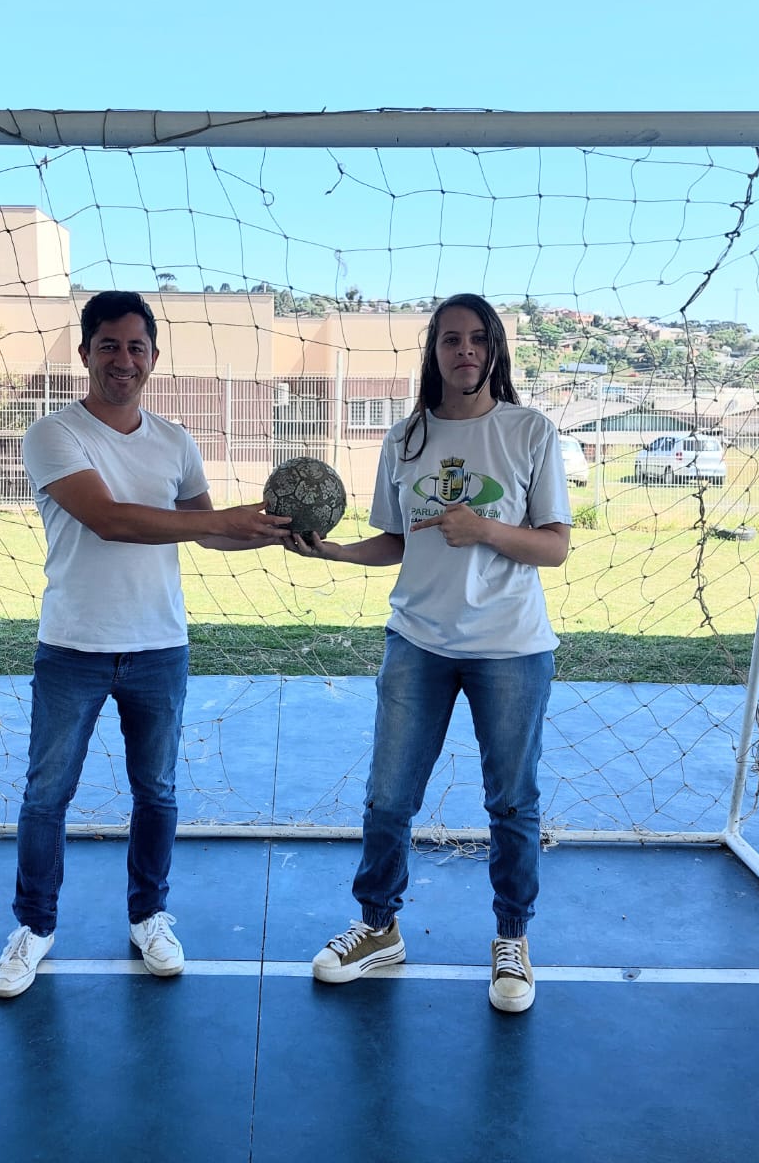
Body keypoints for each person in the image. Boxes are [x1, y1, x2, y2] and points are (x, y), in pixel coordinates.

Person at [0, 290, 292, 999]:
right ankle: (34, 927)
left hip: (159, 646)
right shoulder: (52, 434)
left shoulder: (176, 441)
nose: (122, 360)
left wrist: (273, 531)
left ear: (153, 358)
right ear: (85, 353)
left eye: (136, 347)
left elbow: (208, 533)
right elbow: (111, 520)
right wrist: (223, 519)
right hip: (73, 646)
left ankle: (148, 917)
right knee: (46, 794)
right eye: (109, 345)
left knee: (156, 792)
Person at [288, 293, 572, 1013]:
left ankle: (512, 938)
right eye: (450, 339)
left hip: (510, 647)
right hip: (417, 641)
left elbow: (554, 546)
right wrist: (333, 553)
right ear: (434, 352)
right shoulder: (405, 438)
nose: (464, 350)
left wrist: (484, 529)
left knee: (512, 802)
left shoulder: (529, 431)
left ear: (495, 349)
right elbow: (396, 540)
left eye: (477, 338)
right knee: (389, 796)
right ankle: (378, 928)